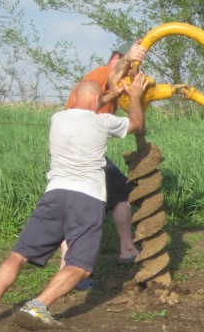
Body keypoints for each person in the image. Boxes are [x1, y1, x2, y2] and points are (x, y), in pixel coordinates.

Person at [0, 74, 148, 329]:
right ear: (98, 100)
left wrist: (105, 93)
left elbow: (85, 107)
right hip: (86, 199)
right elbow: (136, 124)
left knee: (18, 255)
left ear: (75, 97)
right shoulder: (103, 123)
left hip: (54, 195)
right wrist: (133, 96)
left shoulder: (57, 118)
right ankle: (38, 306)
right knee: (80, 266)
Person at [64, 41, 150, 267]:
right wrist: (128, 60)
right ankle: (126, 249)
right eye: (133, 68)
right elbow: (116, 74)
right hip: (85, 152)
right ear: (117, 59)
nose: (133, 73)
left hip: (69, 151)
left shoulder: (100, 89)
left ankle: (67, 262)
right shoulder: (103, 73)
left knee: (69, 203)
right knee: (120, 195)